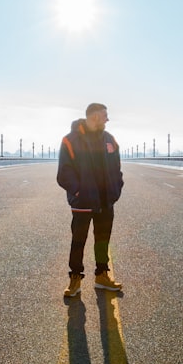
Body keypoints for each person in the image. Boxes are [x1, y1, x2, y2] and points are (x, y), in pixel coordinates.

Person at [57, 103, 124, 297]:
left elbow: (117, 167)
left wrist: (116, 189)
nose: (107, 119)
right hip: (83, 203)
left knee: (103, 240)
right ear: (94, 117)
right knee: (78, 241)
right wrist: (79, 192)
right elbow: (64, 173)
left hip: (105, 202)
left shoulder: (109, 139)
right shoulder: (70, 140)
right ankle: (75, 279)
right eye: (105, 115)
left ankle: (102, 276)